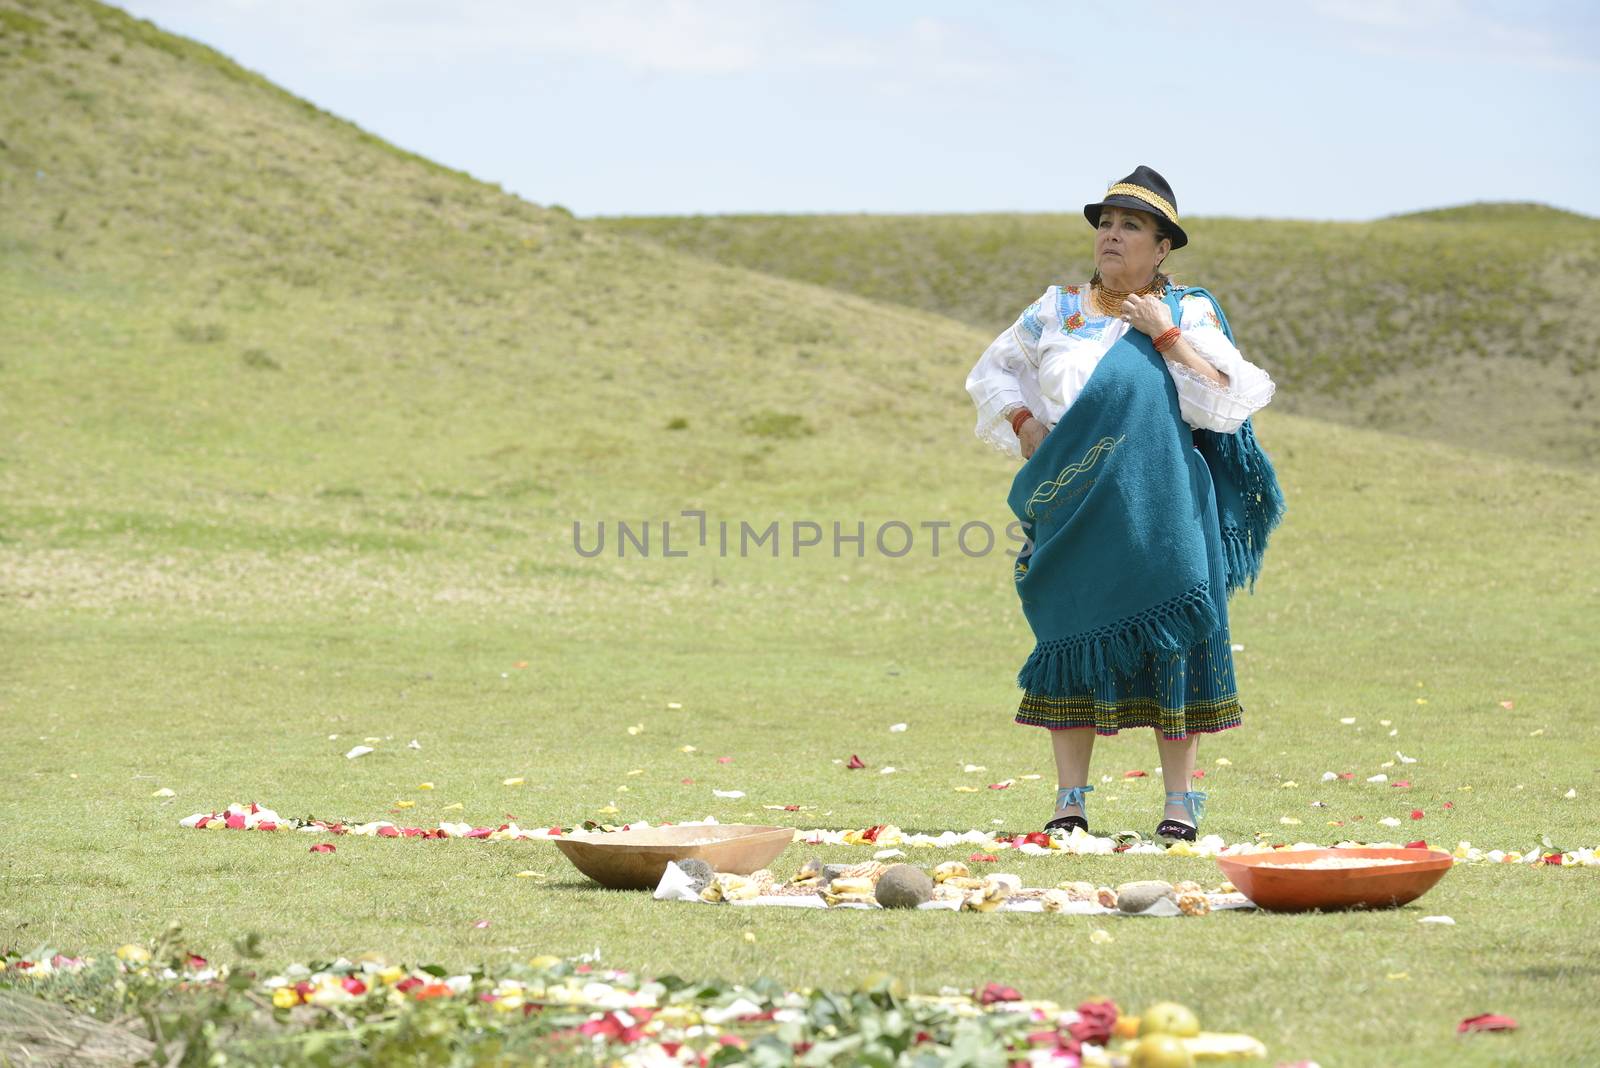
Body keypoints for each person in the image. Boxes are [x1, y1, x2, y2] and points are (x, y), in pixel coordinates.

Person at [964, 165, 1285, 841]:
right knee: (1070, 636)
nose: (1112, 235)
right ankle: (1069, 802)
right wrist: (1025, 425)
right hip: (1073, 506)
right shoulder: (1057, 309)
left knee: (1179, 646)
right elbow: (991, 371)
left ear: (1162, 246)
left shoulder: (1190, 311)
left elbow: (1232, 397)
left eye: (1130, 225)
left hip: (1162, 509)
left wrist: (1164, 333)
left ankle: (1180, 804)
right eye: (1105, 223)